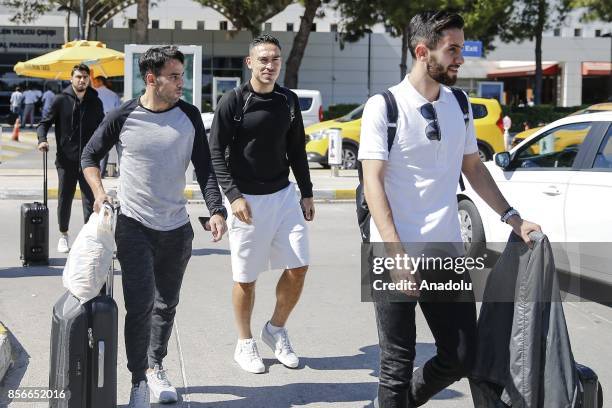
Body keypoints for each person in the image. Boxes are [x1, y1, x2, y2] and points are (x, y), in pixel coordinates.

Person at [358, 11, 542, 407]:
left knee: (461, 354)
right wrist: (396, 255)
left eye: (461, 48)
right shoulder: (385, 106)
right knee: (396, 363)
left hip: (444, 252)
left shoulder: (459, 104)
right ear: (423, 52)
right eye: (452, 49)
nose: (460, 58)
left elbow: (472, 167)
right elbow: (372, 182)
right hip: (394, 251)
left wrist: (513, 218)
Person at [82, 45, 227, 408]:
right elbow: (89, 155)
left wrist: (216, 209)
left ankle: (155, 364)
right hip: (133, 225)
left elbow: (205, 168)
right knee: (142, 304)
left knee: (167, 304)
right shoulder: (124, 115)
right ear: (152, 79)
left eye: (182, 75)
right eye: (174, 77)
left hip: (176, 229)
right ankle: (138, 383)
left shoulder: (190, 115)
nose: (182, 83)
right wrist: (99, 193)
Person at [209, 34, 314, 374]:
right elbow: (215, 153)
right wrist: (234, 196)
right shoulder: (233, 102)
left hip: (284, 195)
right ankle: (244, 343)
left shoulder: (288, 100)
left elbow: (296, 148)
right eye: (264, 59)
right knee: (246, 279)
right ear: (249, 62)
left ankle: (276, 329)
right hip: (246, 200)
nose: (270, 66)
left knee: (298, 267)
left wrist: (307, 192)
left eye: (276, 60)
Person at [37, 64, 104, 253]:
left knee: (90, 199)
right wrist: (42, 140)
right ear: (71, 79)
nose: (82, 80)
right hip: (66, 160)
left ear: (89, 79)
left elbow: (102, 128)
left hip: (89, 160)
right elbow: (44, 124)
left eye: (85, 77)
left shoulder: (95, 102)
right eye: (78, 77)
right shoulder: (60, 100)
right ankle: (64, 235)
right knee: (64, 198)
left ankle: (89, 237)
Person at [91, 75, 121, 177]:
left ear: (99, 81)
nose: (93, 83)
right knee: (105, 148)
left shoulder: (93, 93)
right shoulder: (113, 95)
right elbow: (118, 110)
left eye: (95, 81)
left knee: (92, 147)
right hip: (109, 123)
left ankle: (93, 171)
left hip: (94, 122)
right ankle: (101, 172)